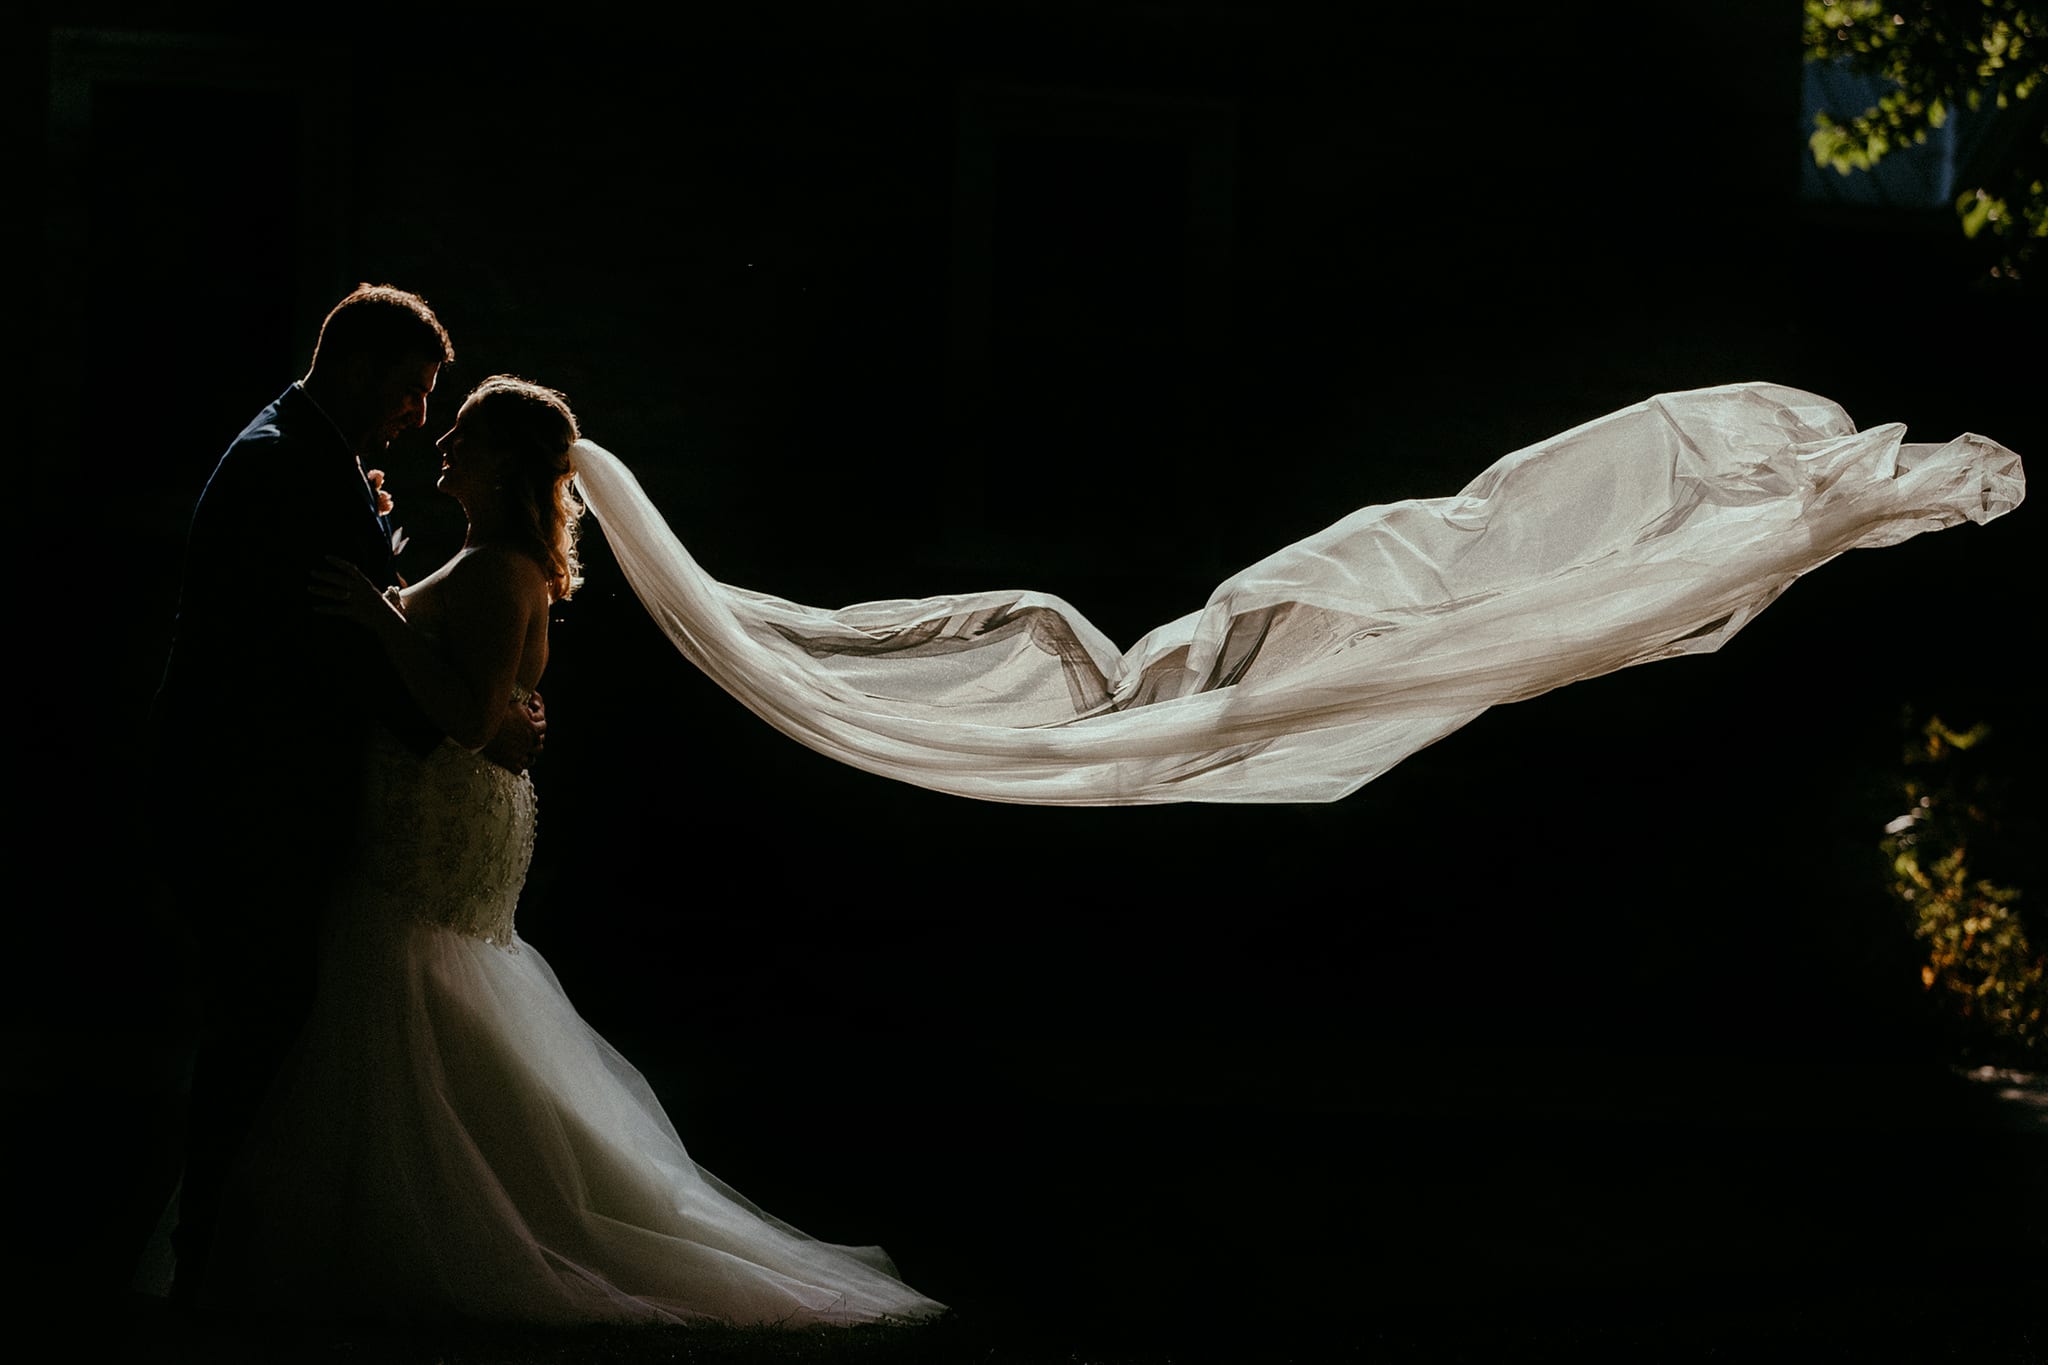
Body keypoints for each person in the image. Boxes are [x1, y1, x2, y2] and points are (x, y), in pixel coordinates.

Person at [198, 376, 944, 1326]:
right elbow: (466, 679)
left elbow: (468, 713)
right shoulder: (485, 556)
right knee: (422, 993)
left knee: (409, 985)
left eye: (461, 433)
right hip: (442, 806)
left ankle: (444, 1228)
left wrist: (385, 618)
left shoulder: (504, 565)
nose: (441, 444)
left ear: (504, 460)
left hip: (443, 814)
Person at [152, 284, 544, 1304]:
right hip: (257, 796)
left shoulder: (303, 453)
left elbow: (358, 611)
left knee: (283, 1021)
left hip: (284, 791)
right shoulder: (284, 465)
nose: (419, 418)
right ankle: (215, 1256)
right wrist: (484, 724)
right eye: (414, 392)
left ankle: (235, 1251)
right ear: (359, 366)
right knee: (262, 1020)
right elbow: (320, 645)